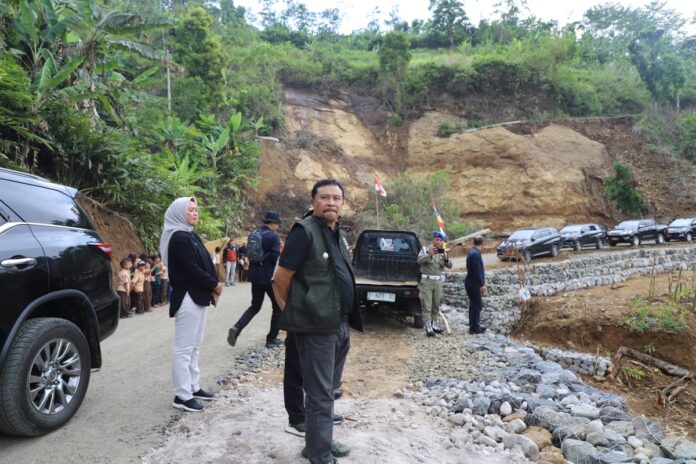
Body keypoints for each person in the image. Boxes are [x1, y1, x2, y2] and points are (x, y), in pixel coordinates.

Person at [273, 179, 363, 464]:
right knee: (319, 393)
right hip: (316, 327)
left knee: (328, 390)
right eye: (324, 197)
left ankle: (318, 441)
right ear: (313, 202)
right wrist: (294, 313)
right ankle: (319, 452)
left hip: (339, 324)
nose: (331, 203)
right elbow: (280, 278)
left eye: (337, 198)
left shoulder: (336, 233)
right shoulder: (305, 231)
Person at [160, 196, 222, 413]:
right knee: (184, 348)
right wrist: (215, 285)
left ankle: (193, 387)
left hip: (198, 294)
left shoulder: (189, 235)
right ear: (179, 213)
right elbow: (191, 269)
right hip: (187, 296)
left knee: (195, 345)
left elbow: (204, 264)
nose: (195, 213)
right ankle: (182, 395)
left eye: (196, 210)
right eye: (190, 210)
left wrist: (212, 287)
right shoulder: (179, 238)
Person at [227, 212, 283, 349]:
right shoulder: (273, 236)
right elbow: (276, 258)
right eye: (277, 224)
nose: (277, 227)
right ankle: (271, 339)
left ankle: (237, 328)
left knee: (255, 306)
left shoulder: (253, 233)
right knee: (278, 307)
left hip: (254, 275)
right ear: (273, 224)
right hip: (268, 277)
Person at [417, 231, 453, 337]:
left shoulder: (443, 252)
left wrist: (446, 259)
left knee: (436, 304)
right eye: (437, 239)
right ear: (432, 240)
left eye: (441, 240)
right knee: (427, 305)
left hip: (438, 282)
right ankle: (428, 327)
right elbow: (419, 261)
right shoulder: (425, 249)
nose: (439, 241)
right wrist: (429, 255)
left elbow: (450, 265)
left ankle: (434, 324)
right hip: (427, 281)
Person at [465, 236, 487, 335]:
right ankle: (474, 328)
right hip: (474, 283)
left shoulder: (471, 252)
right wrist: (481, 284)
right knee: (477, 305)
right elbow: (477, 271)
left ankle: (474, 325)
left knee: (473, 305)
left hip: (470, 282)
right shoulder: (476, 254)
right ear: (482, 243)